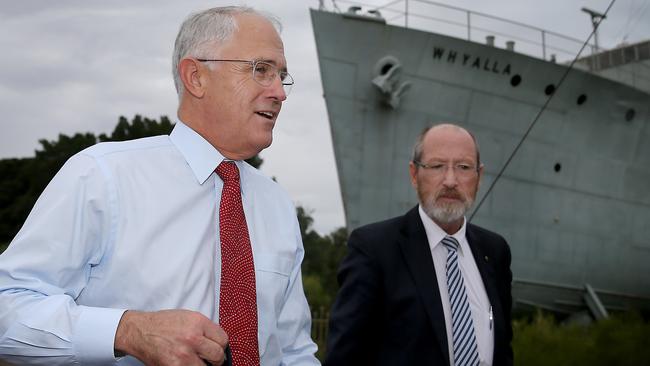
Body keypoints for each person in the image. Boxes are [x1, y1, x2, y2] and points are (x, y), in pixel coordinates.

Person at [0, 6, 319, 366]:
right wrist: (126, 331)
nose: (279, 92)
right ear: (195, 77)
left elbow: (292, 350)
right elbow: (7, 304)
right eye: (261, 70)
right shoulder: (102, 177)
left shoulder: (275, 204)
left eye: (282, 76)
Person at [324, 123, 513, 366]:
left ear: (479, 176)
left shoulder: (495, 252)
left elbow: (502, 350)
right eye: (437, 166)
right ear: (414, 174)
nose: (450, 180)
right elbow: (344, 356)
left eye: (464, 167)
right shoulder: (374, 249)